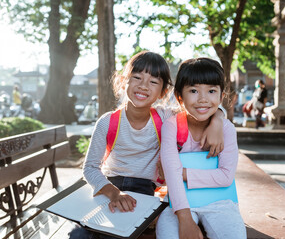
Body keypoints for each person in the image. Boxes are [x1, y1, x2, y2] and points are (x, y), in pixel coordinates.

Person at [71, 51, 225, 239]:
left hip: (143, 189)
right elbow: (90, 168)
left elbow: (202, 107)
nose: (143, 86)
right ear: (122, 82)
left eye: (153, 81)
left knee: (121, 232)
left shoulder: (165, 117)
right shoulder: (107, 122)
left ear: (163, 91)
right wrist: (114, 193)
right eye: (136, 77)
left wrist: (217, 121)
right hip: (109, 185)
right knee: (80, 234)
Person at [156, 58, 246, 239]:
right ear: (179, 96)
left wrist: (182, 173)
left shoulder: (226, 129)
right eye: (194, 90)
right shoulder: (171, 126)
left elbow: (226, 177)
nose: (203, 99)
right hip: (178, 201)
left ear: (221, 97)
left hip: (220, 202)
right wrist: (185, 218)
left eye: (211, 91)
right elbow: (170, 177)